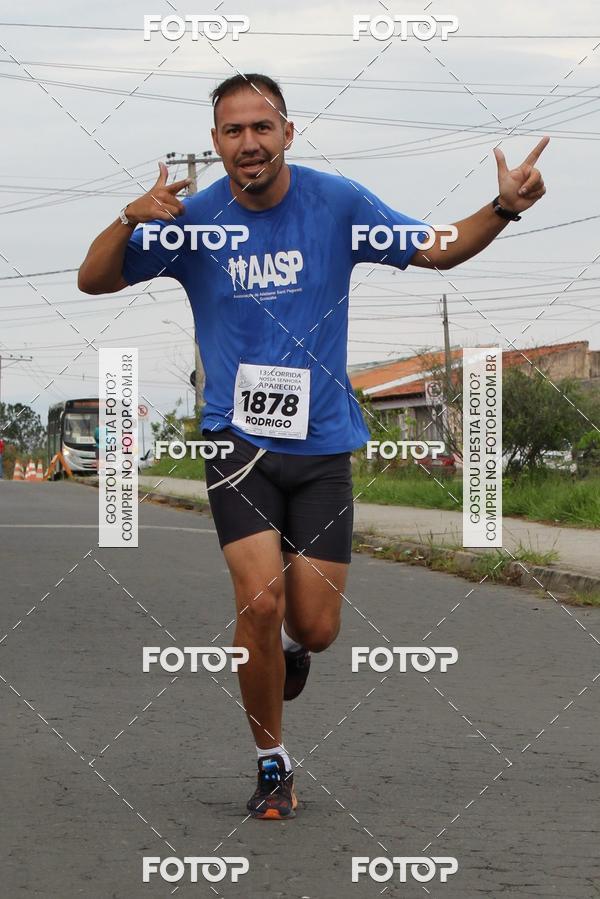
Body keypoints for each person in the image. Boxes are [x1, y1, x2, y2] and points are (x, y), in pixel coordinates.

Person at [78, 73, 548, 820]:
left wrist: (503, 207)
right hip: (236, 441)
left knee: (317, 628)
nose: (249, 142)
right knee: (258, 603)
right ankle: (273, 763)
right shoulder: (192, 221)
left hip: (323, 444)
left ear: (288, 134)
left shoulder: (338, 204)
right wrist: (127, 219)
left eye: (262, 127)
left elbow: (438, 249)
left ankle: (294, 652)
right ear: (216, 143)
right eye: (233, 130)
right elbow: (93, 279)